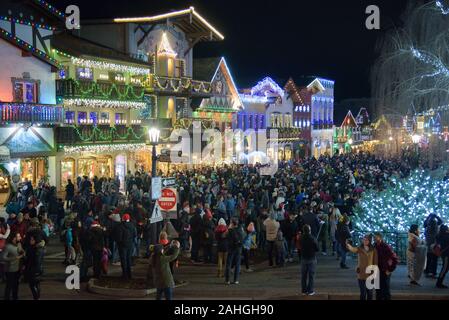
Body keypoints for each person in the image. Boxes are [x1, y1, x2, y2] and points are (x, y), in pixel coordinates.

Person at [346, 234, 378, 300]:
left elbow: (375, 262)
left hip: (370, 274)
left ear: (369, 241)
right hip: (361, 273)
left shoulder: (373, 250)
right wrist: (348, 245)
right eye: (364, 240)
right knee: (363, 293)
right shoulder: (360, 248)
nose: (365, 241)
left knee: (370, 293)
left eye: (366, 240)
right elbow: (353, 249)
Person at [374, 232, 398, 300]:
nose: (375, 238)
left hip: (384, 271)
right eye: (374, 237)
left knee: (385, 289)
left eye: (377, 237)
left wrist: (390, 270)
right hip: (377, 270)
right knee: (378, 290)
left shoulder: (386, 247)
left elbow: (394, 259)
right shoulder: (374, 246)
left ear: (380, 238)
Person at [113, 213, 137, 280]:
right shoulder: (132, 226)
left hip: (122, 246)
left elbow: (119, 238)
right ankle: (129, 275)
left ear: (123, 218)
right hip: (130, 245)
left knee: (123, 260)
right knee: (128, 259)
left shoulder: (120, 226)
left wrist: (119, 242)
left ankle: (125, 275)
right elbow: (135, 235)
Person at [1, 232, 24, 300]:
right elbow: (2, 257)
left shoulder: (19, 244)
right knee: (9, 286)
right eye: (18, 237)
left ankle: (15, 297)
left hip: (18, 268)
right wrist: (15, 258)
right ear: (14, 238)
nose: (20, 238)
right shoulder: (7, 247)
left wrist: (23, 252)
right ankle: (7, 297)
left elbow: (20, 250)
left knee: (16, 285)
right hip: (10, 270)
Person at [299, 224, 319, 296]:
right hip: (312, 258)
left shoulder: (300, 238)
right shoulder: (313, 238)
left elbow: (299, 246)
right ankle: (310, 290)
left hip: (303, 258)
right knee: (311, 275)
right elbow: (317, 249)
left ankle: (304, 290)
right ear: (310, 231)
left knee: (303, 275)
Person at [23, 235, 44, 300]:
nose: (30, 241)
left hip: (33, 270)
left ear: (36, 241)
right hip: (38, 270)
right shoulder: (40, 248)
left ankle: (36, 297)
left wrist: (25, 258)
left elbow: (34, 261)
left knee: (32, 285)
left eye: (32, 240)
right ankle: (37, 296)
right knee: (37, 284)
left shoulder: (34, 249)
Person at [225, 217, 244, 285]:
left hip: (231, 249)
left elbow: (224, 236)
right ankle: (236, 280)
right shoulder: (240, 229)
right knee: (237, 264)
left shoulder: (230, 231)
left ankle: (227, 280)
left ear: (232, 223)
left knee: (228, 264)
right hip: (238, 249)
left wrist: (229, 228)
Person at [435, 224, 449, 289]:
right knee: (444, 269)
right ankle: (439, 283)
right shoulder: (447, 236)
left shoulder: (439, 236)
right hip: (447, 254)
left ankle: (439, 282)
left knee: (445, 268)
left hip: (444, 254)